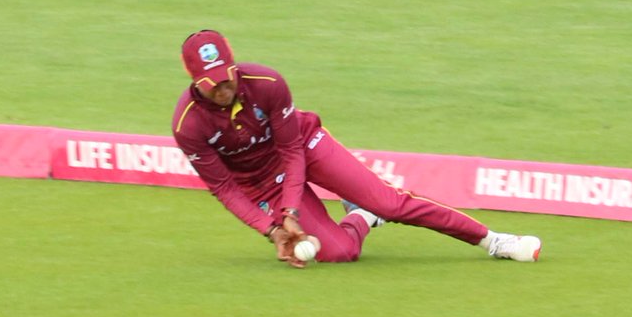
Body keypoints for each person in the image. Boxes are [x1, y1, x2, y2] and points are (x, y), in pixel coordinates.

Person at [171, 29, 542, 268]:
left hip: (304, 147)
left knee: (391, 203)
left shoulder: (267, 83)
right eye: (213, 83)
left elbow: (291, 150)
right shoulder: (188, 125)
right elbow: (225, 188)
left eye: (227, 77)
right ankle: (362, 216)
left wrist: (290, 209)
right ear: (194, 81)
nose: (224, 89)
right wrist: (272, 229)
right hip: (260, 182)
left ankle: (494, 241)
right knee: (340, 253)